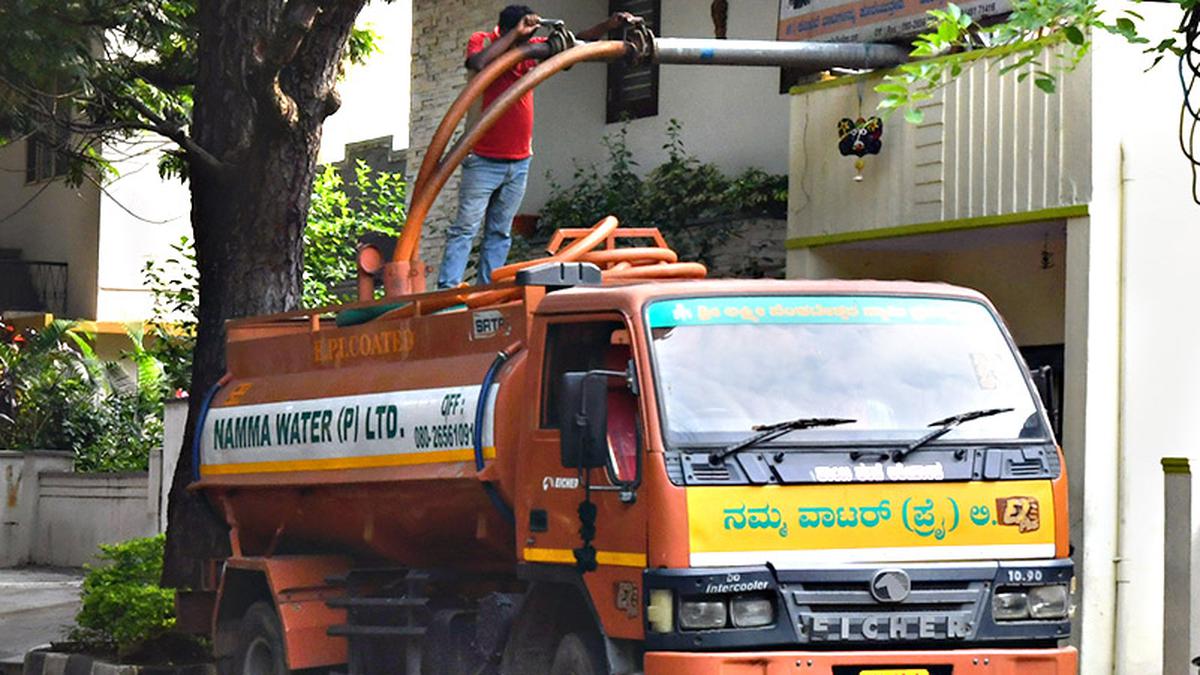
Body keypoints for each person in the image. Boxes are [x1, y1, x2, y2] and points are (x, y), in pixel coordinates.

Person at [437, 5, 635, 288]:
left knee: (500, 232)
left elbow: (575, 43)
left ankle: (487, 289)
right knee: (465, 228)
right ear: (505, 31)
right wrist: (516, 36)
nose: (527, 41)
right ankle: (448, 287)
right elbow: (478, 63)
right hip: (483, 158)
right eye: (521, 34)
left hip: (519, 161)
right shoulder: (483, 41)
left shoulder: (532, 48)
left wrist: (607, 25)